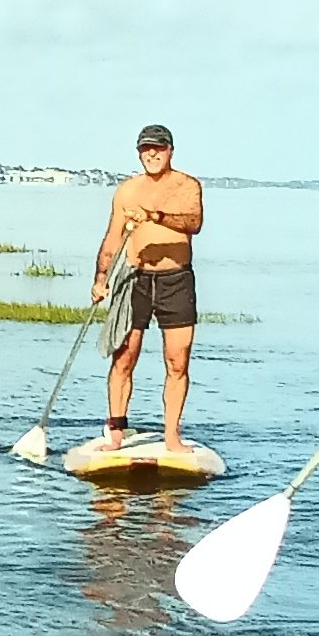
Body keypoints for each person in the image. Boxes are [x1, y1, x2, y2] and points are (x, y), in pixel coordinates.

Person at [92, 121, 207, 452]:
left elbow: (194, 223)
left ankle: (172, 436)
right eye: (146, 149)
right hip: (135, 278)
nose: (152, 154)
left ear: (170, 150)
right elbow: (113, 237)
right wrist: (100, 278)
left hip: (176, 280)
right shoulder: (127, 190)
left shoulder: (187, 185)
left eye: (158, 148)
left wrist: (154, 216)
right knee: (125, 356)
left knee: (177, 360)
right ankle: (115, 432)